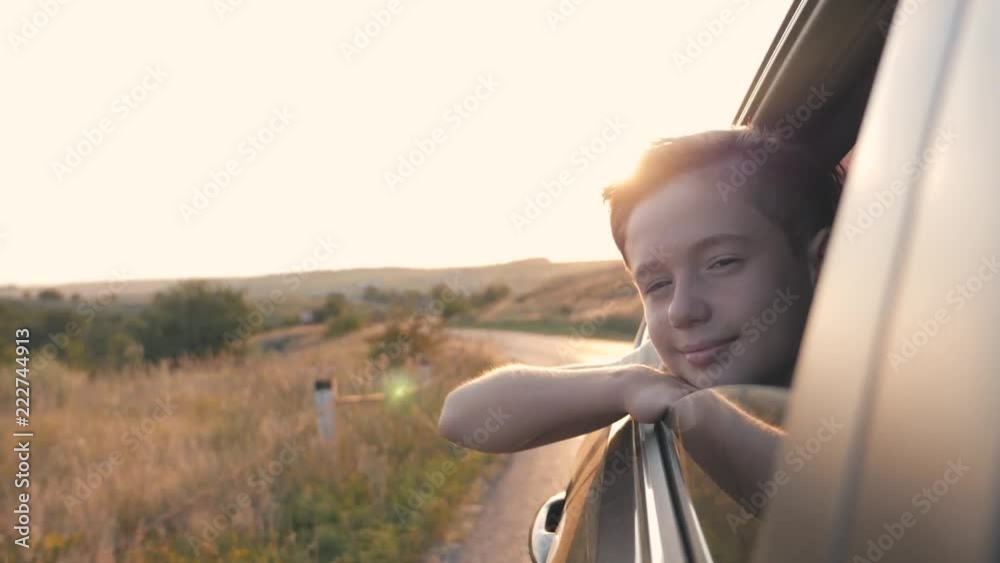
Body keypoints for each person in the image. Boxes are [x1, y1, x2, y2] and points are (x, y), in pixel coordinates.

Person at [438, 127, 843, 505]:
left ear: (820, 261)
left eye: (722, 262)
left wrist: (703, 416)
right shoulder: (668, 369)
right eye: (657, 285)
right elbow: (463, 416)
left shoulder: (881, 387)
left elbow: (853, 509)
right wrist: (626, 383)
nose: (683, 311)